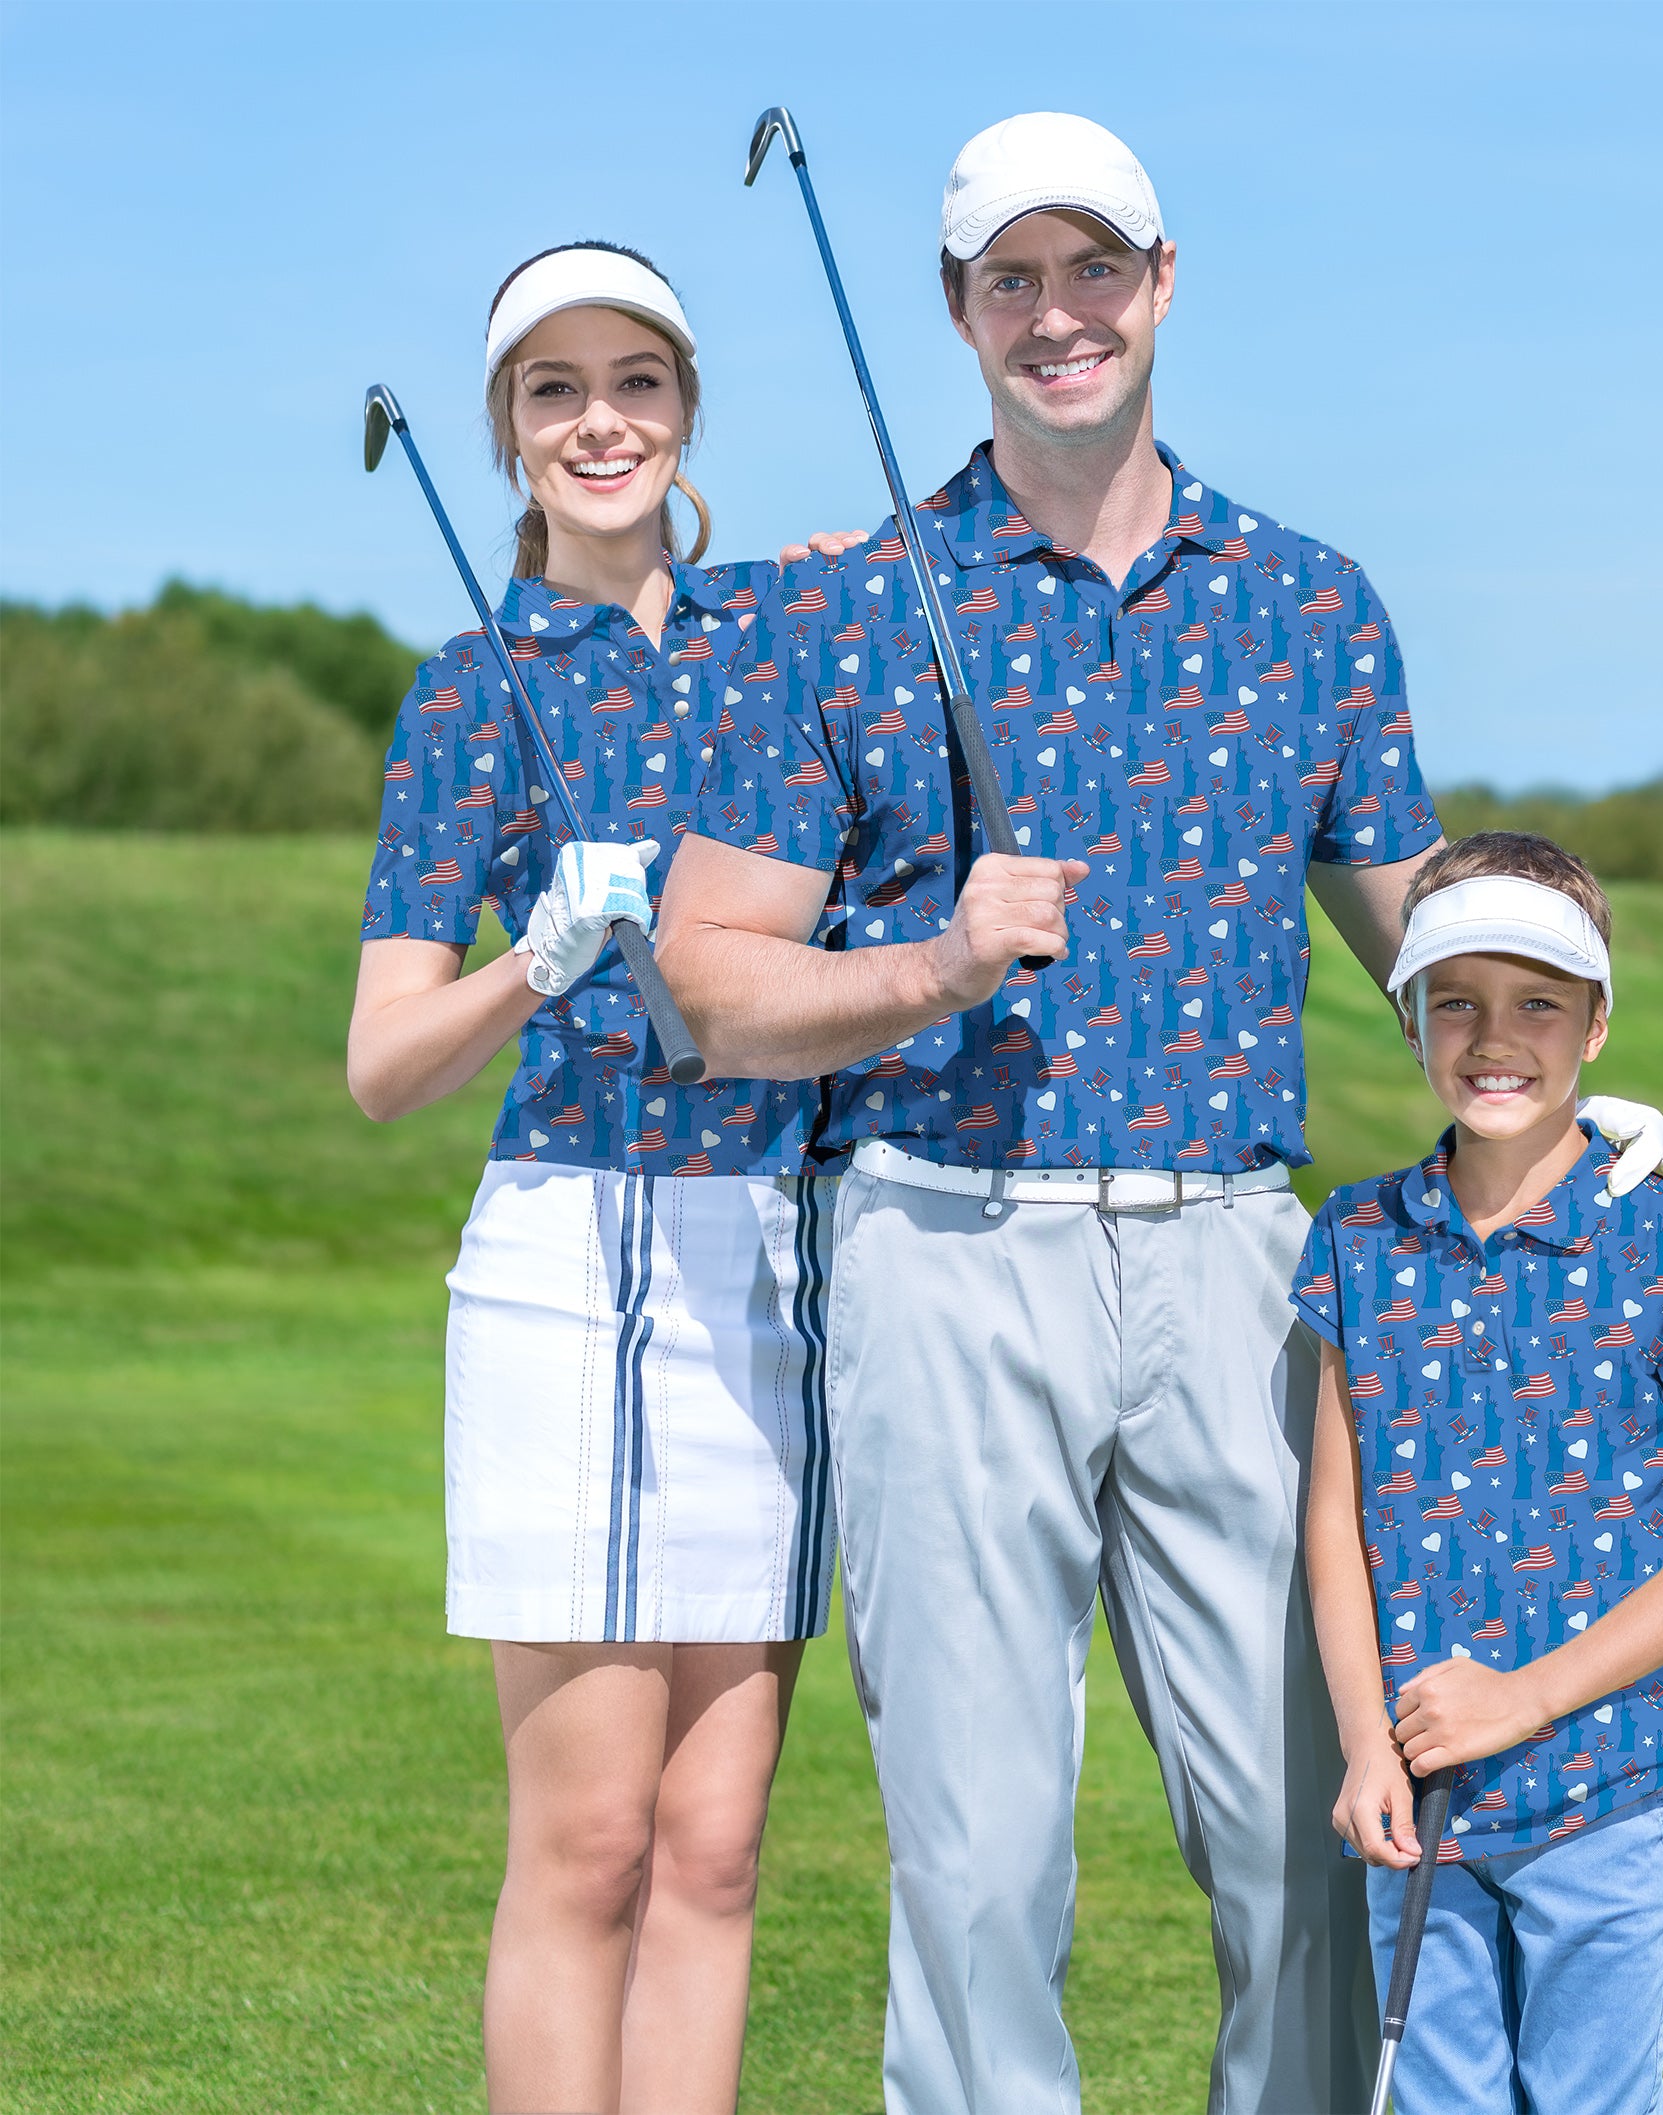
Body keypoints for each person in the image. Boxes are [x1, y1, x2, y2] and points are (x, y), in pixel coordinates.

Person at [656, 116, 1663, 2114]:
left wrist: (1585, 1080)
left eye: (1094, 269)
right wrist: (922, 972)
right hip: (941, 1242)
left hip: (1241, 1266)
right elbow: (711, 978)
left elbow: (1425, 936)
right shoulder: (845, 608)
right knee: (978, 1859)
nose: (1058, 315)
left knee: (1313, 1823)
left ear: (1160, 281)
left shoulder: (1311, 607)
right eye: (1011, 279)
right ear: (958, 311)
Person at [348, 241, 845, 2115]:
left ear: (687, 408)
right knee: (589, 1847)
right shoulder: (471, 688)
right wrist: (534, 959)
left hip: (762, 1269)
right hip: (567, 1256)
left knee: (715, 1849)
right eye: (553, 390)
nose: (600, 420)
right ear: (507, 432)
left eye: (634, 380)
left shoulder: (786, 656)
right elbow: (386, 1065)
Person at [1295, 831, 1663, 2114]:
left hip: (1609, 1780)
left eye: (1537, 1004)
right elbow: (1334, 1520)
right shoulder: (1357, 1237)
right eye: (1454, 999)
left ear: (1596, 1027)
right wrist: (1363, 1744)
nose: (1492, 1036)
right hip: (1419, 1790)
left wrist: (1526, 1700)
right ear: (1408, 1018)